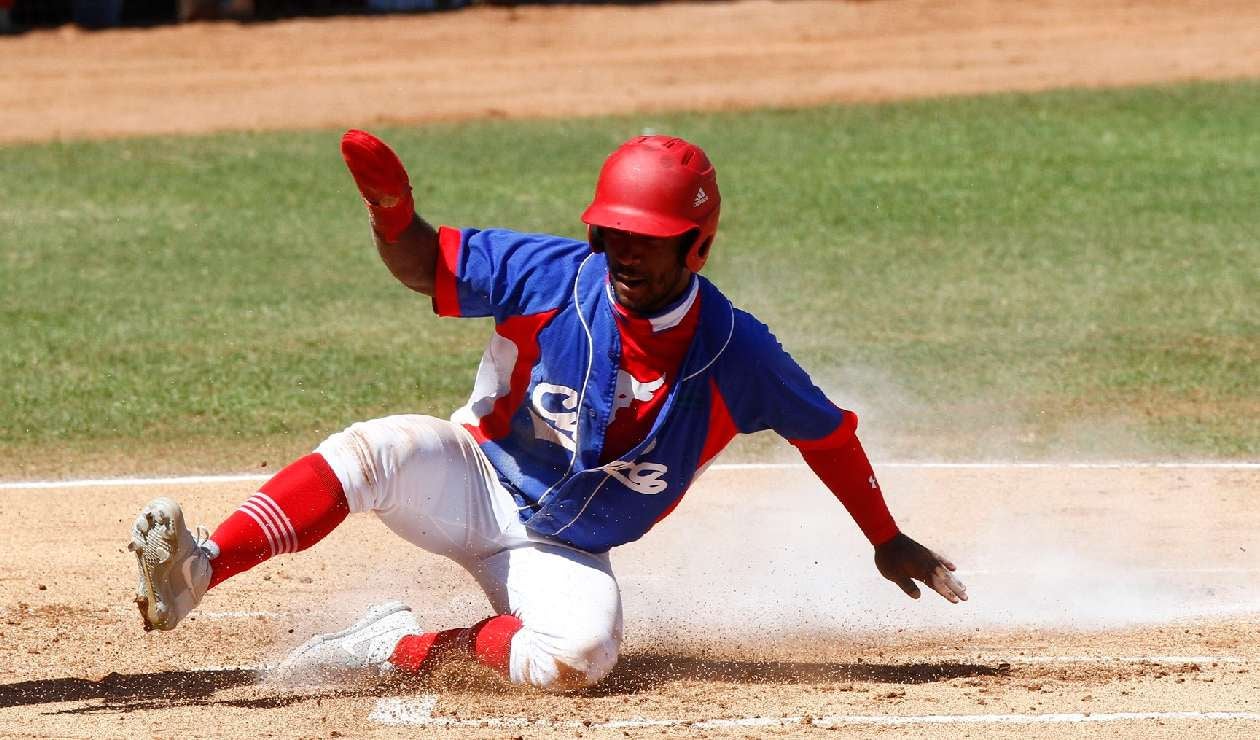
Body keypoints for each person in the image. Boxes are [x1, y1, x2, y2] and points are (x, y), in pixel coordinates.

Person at [128, 130, 967, 692]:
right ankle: (202, 566)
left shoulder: (737, 352)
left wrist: (884, 537)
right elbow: (426, 264)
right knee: (375, 450)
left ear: (696, 246)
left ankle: (394, 647)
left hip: (565, 545)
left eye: (648, 237)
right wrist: (392, 211)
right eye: (614, 232)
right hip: (471, 477)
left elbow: (827, 435)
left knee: (582, 658)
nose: (625, 253)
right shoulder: (554, 276)